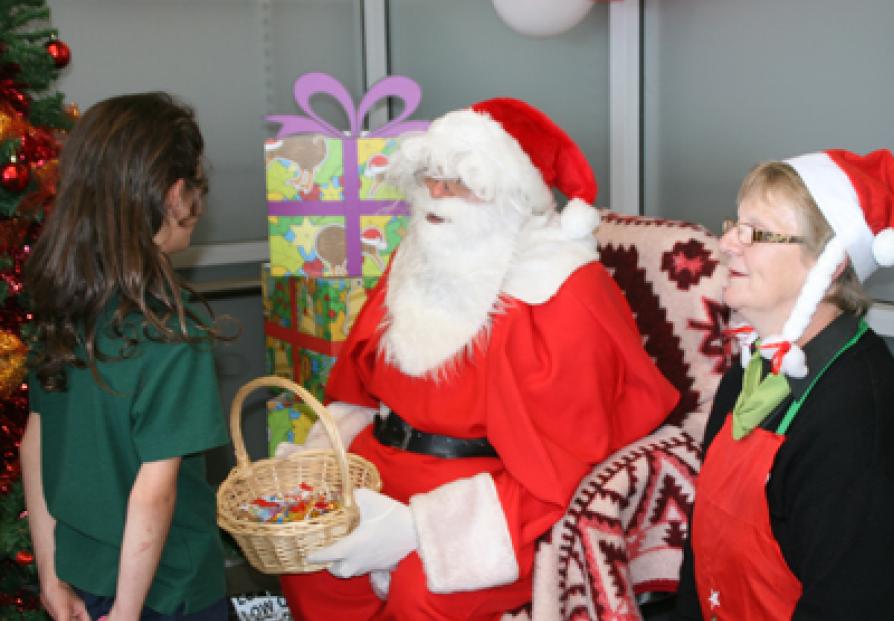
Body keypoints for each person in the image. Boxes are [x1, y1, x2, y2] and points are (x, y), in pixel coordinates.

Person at [275, 97, 680, 620]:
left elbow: (567, 459)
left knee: (423, 591)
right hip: (378, 471)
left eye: (461, 180)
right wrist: (325, 473)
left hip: (490, 497)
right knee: (310, 567)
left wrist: (421, 528)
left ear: (511, 194)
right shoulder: (414, 259)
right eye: (430, 177)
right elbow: (356, 387)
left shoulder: (561, 286)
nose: (439, 193)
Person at [673, 149, 894, 620]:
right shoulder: (754, 364)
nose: (728, 245)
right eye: (734, 225)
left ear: (829, 264)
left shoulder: (862, 427)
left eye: (756, 232)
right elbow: (700, 560)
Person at [20, 92, 232, 621]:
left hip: (81, 574)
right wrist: (128, 611)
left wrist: (51, 573)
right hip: (164, 590)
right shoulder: (174, 326)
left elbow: (34, 443)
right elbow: (154, 490)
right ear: (175, 194)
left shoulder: (65, 305)